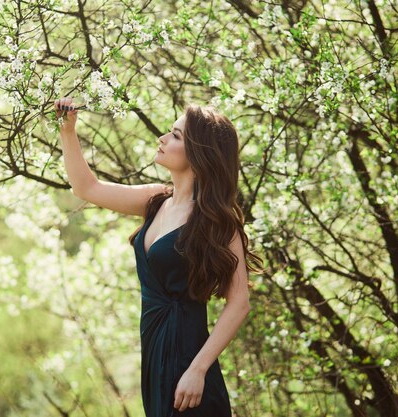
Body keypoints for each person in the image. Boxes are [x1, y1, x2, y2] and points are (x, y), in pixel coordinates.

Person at [54, 97, 264, 417]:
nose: (163, 139)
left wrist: (198, 370)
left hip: (189, 360)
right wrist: (68, 131)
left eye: (176, 136)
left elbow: (240, 302)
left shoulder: (215, 220)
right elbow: (87, 188)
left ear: (199, 153)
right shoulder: (156, 200)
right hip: (153, 352)